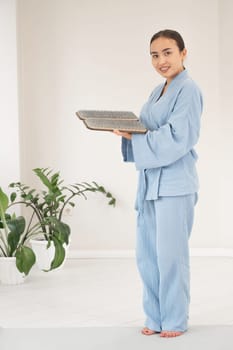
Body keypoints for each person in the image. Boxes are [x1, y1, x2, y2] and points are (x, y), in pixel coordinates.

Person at [113, 29, 203, 338]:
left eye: (167, 52)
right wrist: (129, 132)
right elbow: (149, 128)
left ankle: (175, 319)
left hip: (176, 184)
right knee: (147, 255)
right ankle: (154, 317)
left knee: (171, 256)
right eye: (154, 55)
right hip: (150, 183)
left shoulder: (188, 90)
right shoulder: (157, 91)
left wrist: (136, 138)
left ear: (183, 53)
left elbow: (179, 137)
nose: (161, 60)